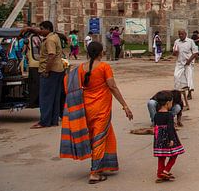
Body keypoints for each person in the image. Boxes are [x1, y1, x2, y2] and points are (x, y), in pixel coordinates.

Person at [59, 41, 133, 184]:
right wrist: (125, 106)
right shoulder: (104, 67)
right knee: (99, 138)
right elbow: (112, 86)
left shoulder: (81, 68)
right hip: (101, 108)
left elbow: (68, 82)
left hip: (86, 107)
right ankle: (94, 172)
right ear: (101, 52)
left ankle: (104, 164)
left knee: (98, 136)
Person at [32, 21, 65, 128]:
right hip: (58, 70)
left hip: (51, 71)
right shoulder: (55, 36)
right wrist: (29, 29)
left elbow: (51, 56)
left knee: (45, 97)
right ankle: (53, 120)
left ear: (47, 29)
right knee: (55, 97)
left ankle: (44, 121)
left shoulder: (49, 40)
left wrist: (46, 70)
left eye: (41, 29)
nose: (40, 31)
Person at [153, 90, 185, 182]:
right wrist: (171, 139)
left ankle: (160, 173)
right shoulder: (169, 115)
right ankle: (166, 170)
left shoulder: (156, 115)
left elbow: (155, 127)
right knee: (174, 155)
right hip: (168, 138)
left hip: (159, 139)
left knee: (161, 156)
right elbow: (170, 128)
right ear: (167, 103)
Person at [172, 30, 199, 100]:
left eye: (182, 34)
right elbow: (174, 54)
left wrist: (189, 61)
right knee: (176, 76)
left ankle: (189, 92)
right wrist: (175, 52)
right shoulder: (176, 42)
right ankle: (177, 92)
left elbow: (195, 53)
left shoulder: (190, 41)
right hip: (179, 62)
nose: (180, 35)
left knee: (189, 77)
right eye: (179, 34)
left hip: (188, 63)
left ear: (185, 34)